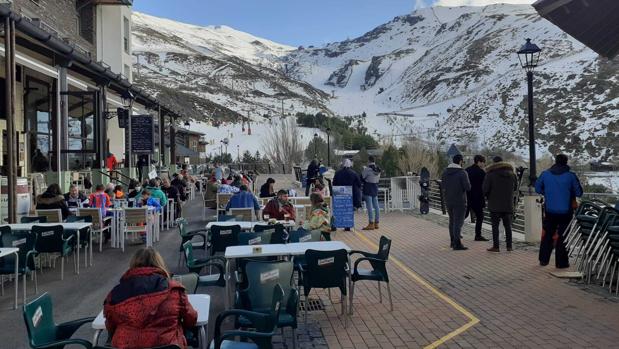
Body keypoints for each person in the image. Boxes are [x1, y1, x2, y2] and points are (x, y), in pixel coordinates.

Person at [104, 247, 197, 349]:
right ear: (159, 264)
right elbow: (191, 319)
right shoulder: (174, 291)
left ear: (133, 265)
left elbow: (110, 327)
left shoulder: (114, 295)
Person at [535, 154, 583, 268]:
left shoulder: (545, 174)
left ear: (555, 162)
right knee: (563, 236)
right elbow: (579, 192)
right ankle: (561, 263)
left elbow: (537, 188)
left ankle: (543, 259)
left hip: (550, 210)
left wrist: (547, 192)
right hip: (566, 211)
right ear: (566, 162)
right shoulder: (571, 176)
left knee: (547, 234)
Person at [483, 156, 518, 252]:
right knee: (508, 226)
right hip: (508, 204)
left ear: (494, 163)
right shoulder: (512, 174)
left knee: (495, 226)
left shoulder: (490, 174)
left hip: (494, 204)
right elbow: (515, 188)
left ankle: (496, 246)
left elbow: (485, 189)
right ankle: (509, 246)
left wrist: (487, 196)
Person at [441, 154, 471, 251]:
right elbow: (468, 187)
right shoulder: (463, 173)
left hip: (448, 200)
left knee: (452, 221)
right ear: (460, 161)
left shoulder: (445, 172)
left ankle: (452, 241)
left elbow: (443, 186)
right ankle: (457, 244)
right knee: (458, 222)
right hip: (460, 201)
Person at [333, 158, 362, 231]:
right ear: (350, 165)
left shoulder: (338, 173)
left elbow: (334, 183)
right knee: (348, 210)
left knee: (340, 210)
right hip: (350, 195)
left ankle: (338, 224)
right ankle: (347, 226)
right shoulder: (354, 173)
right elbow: (359, 184)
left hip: (339, 195)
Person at [466, 155, 489, 241]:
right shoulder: (482, 173)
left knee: (463, 215)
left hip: (467, 197)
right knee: (480, 216)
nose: (484, 164)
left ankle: (456, 232)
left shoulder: (467, 170)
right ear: (479, 162)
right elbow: (485, 186)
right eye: (483, 162)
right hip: (478, 198)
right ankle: (478, 235)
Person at [361, 156, 382, 230]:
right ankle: (377, 223)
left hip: (368, 188)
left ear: (369, 161)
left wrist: (363, 170)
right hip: (375, 187)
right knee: (376, 206)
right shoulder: (378, 170)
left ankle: (371, 223)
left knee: (369, 206)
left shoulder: (367, 170)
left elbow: (362, 178)